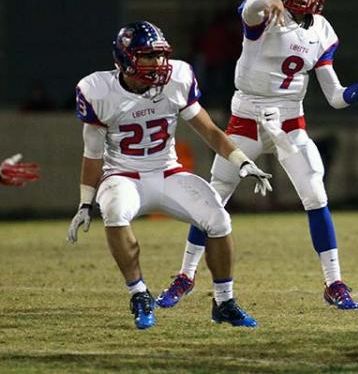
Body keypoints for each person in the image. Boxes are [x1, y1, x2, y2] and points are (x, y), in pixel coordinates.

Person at [156, 0, 358, 311]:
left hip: (289, 124)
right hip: (246, 120)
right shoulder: (267, 15)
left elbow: (335, 96)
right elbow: (248, 9)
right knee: (211, 200)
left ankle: (334, 282)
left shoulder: (323, 31)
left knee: (316, 195)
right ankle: (186, 275)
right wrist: (264, 1)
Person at [66, 21, 272, 330]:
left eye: (161, 56)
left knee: (219, 220)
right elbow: (93, 154)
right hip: (123, 175)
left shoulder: (177, 78)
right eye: (147, 56)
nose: (158, 64)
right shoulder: (97, 90)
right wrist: (85, 203)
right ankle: (139, 294)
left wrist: (241, 161)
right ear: (123, 60)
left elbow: (210, 131)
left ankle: (224, 302)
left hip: (167, 171)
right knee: (113, 211)